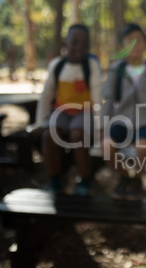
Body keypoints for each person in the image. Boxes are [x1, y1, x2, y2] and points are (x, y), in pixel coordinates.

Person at [101, 23, 146, 201]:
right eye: (129, 42)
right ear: (121, 47)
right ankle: (123, 177)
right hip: (121, 120)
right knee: (106, 147)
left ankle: (137, 178)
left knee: (143, 147)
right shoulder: (116, 70)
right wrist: (102, 126)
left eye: (138, 41)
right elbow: (108, 99)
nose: (134, 46)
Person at [35, 24, 102, 196]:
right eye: (75, 42)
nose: (78, 47)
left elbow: (97, 97)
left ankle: (85, 179)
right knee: (49, 135)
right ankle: (55, 180)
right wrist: (41, 121)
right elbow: (47, 95)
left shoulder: (91, 66)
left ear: (88, 47)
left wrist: (100, 126)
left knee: (77, 135)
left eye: (83, 44)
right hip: (61, 111)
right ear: (66, 43)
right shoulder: (57, 65)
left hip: (83, 111)